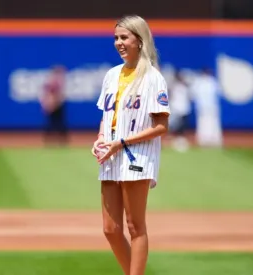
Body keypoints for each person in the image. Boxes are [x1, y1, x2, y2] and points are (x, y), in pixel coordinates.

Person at [90, 15, 171, 275]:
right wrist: (101, 139)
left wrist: (121, 141)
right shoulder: (112, 75)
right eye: (116, 37)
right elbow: (106, 116)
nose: (118, 43)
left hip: (136, 156)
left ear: (140, 39)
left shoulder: (153, 78)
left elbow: (161, 126)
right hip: (111, 155)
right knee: (110, 229)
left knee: (135, 226)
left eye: (124, 37)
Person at [189, 67, 222, 148]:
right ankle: (207, 139)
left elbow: (192, 95)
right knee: (205, 122)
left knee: (210, 122)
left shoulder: (210, 82)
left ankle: (211, 139)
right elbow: (192, 95)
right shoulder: (201, 82)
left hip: (209, 106)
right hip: (205, 106)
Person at [40, 65, 68, 147]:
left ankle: (62, 140)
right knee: (52, 123)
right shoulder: (53, 82)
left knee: (59, 123)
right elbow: (48, 95)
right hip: (54, 105)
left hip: (58, 104)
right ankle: (48, 140)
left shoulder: (58, 82)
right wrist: (48, 105)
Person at [168, 70, 191, 152]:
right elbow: (170, 96)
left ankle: (180, 140)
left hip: (184, 108)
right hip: (175, 108)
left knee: (182, 126)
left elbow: (189, 97)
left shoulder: (185, 86)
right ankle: (176, 140)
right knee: (175, 125)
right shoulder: (173, 86)